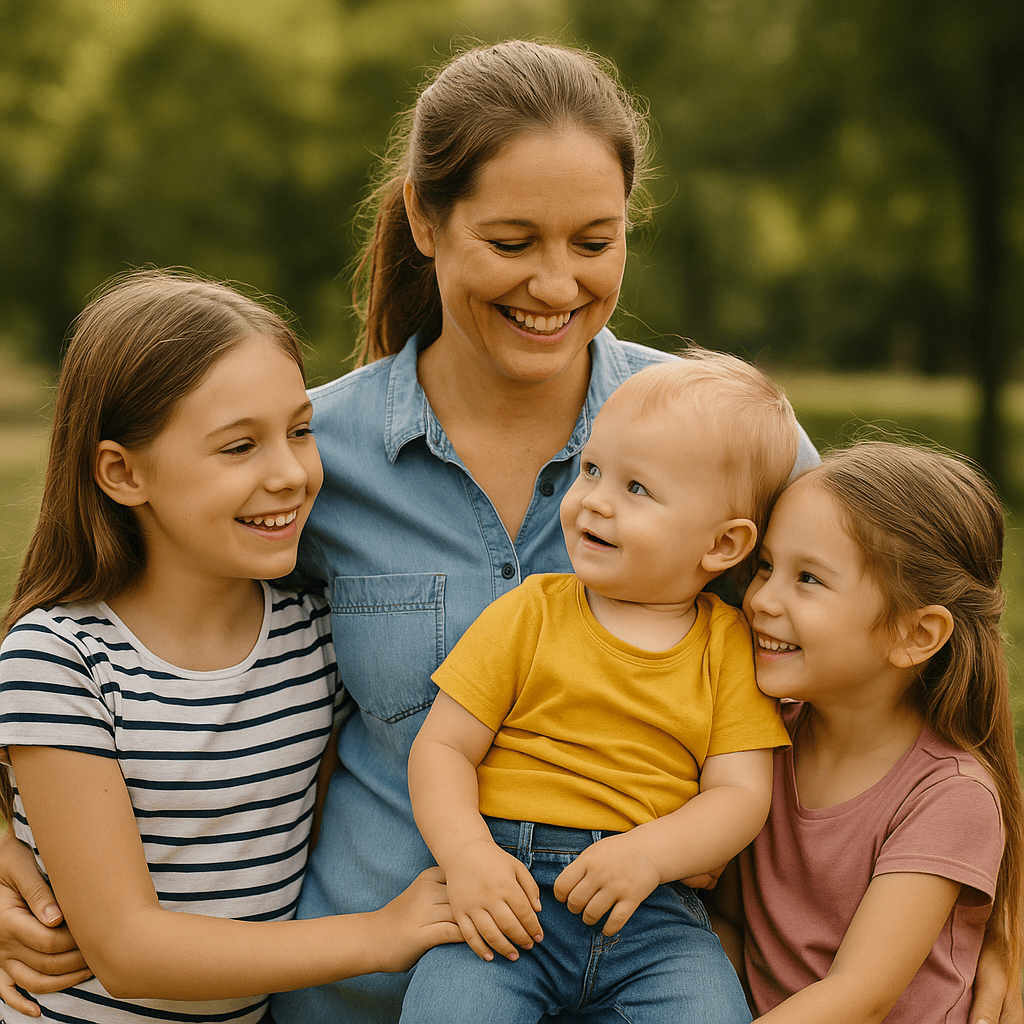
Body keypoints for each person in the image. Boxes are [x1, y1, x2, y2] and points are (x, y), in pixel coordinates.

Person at [0, 40, 1017, 1024]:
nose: (556, 285)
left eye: (594, 241)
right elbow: (115, 629)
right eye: (512, 241)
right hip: (370, 994)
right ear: (426, 220)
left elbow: (908, 653)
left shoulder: (727, 437)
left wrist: (998, 901)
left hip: (651, 970)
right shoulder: (306, 453)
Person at [0, 270, 459, 1023]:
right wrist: (379, 936)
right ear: (123, 471)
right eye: (239, 446)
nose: (288, 473)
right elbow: (128, 949)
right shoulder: (63, 659)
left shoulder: (312, 637)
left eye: (300, 430)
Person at [400, 352, 796, 1023]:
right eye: (590, 468)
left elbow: (739, 794)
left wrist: (651, 853)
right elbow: (442, 749)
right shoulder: (532, 612)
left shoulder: (727, 646)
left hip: (653, 916)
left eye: (636, 489)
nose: (593, 500)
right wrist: (467, 857)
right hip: (509, 896)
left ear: (724, 545)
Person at [725, 441, 1023, 1022]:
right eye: (765, 566)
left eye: (808, 578)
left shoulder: (949, 796)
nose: (761, 599)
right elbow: (728, 920)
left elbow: (859, 996)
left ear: (914, 635)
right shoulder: (762, 742)